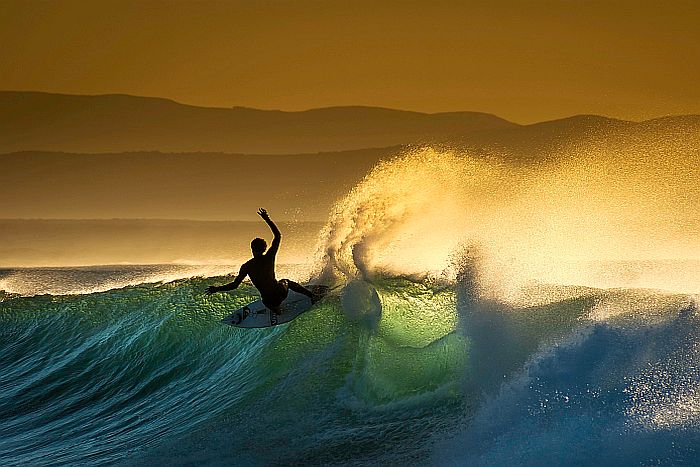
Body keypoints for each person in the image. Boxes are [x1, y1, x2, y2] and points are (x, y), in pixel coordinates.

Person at [206, 208, 316, 313]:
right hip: (280, 293)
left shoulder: (246, 266)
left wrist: (216, 289)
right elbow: (278, 236)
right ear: (264, 248)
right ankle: (312, 296)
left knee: (267, 299)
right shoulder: (269, 257)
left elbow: (234, 285)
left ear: (252, 249)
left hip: (268, 301)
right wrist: (267, 219)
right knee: (286, 281)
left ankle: (277, 311)